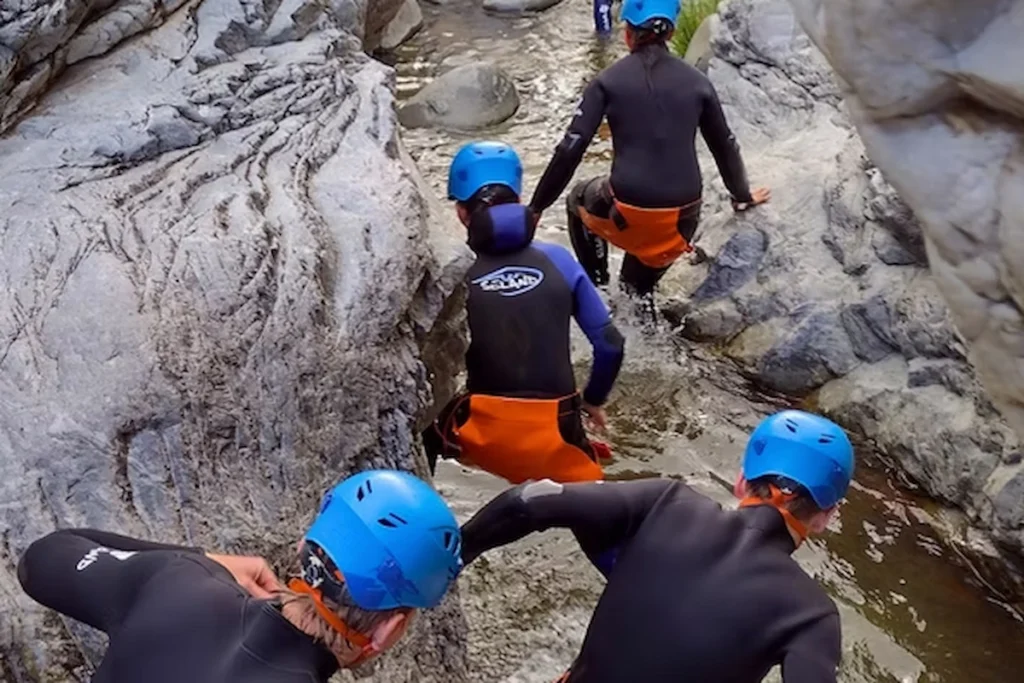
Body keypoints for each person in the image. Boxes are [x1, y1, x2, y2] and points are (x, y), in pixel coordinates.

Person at [459, 409, 855, 682]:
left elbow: (528, 500)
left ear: (740, 479)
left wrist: (456, 558)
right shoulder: (812, 615)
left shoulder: (665, 502)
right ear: (826, 516)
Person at [17, 470, 462, 682]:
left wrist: (197, 559)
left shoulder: (176, 585)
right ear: (387, 630)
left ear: (303, 549)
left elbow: (44, 559)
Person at [528, 0, 770, 328]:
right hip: (681, 220)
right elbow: (725, 145)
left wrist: (536, 207)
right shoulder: (698, 82)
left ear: (627, 34)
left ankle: (596, 291)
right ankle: (647, 334)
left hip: (626, 209)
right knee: (635, 292)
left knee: (576, 200)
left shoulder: (607, 81)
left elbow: (570, 150)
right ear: (670, 31)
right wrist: (741, 196)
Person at [424, 140, 625, 486]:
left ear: (461, 212)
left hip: (481, 439)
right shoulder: (559, 260)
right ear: (519, 200)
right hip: (557, 438)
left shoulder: (454, 275)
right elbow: (610, 344)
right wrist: (592, 402)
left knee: (424, 425)